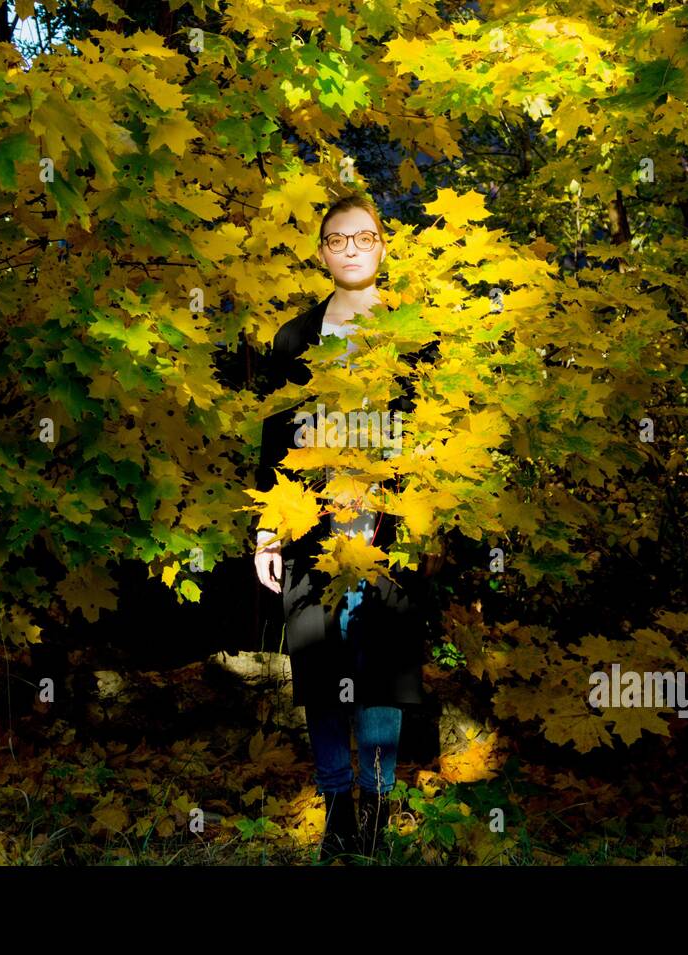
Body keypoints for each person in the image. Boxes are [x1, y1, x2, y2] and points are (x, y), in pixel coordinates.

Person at [252, 194, 441, 863]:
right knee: (320, 674)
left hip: (389, 535)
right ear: (322, 251)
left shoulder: (415, 336)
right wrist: (269, 533)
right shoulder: (294, 339)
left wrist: (424, 520)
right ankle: (335, 814)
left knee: (383, 679)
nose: (353, 248)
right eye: (339, 239)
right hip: (312, 532)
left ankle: (378, 815)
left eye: (365, 237)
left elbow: (436, 440)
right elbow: (276, 442)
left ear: (383, 245)